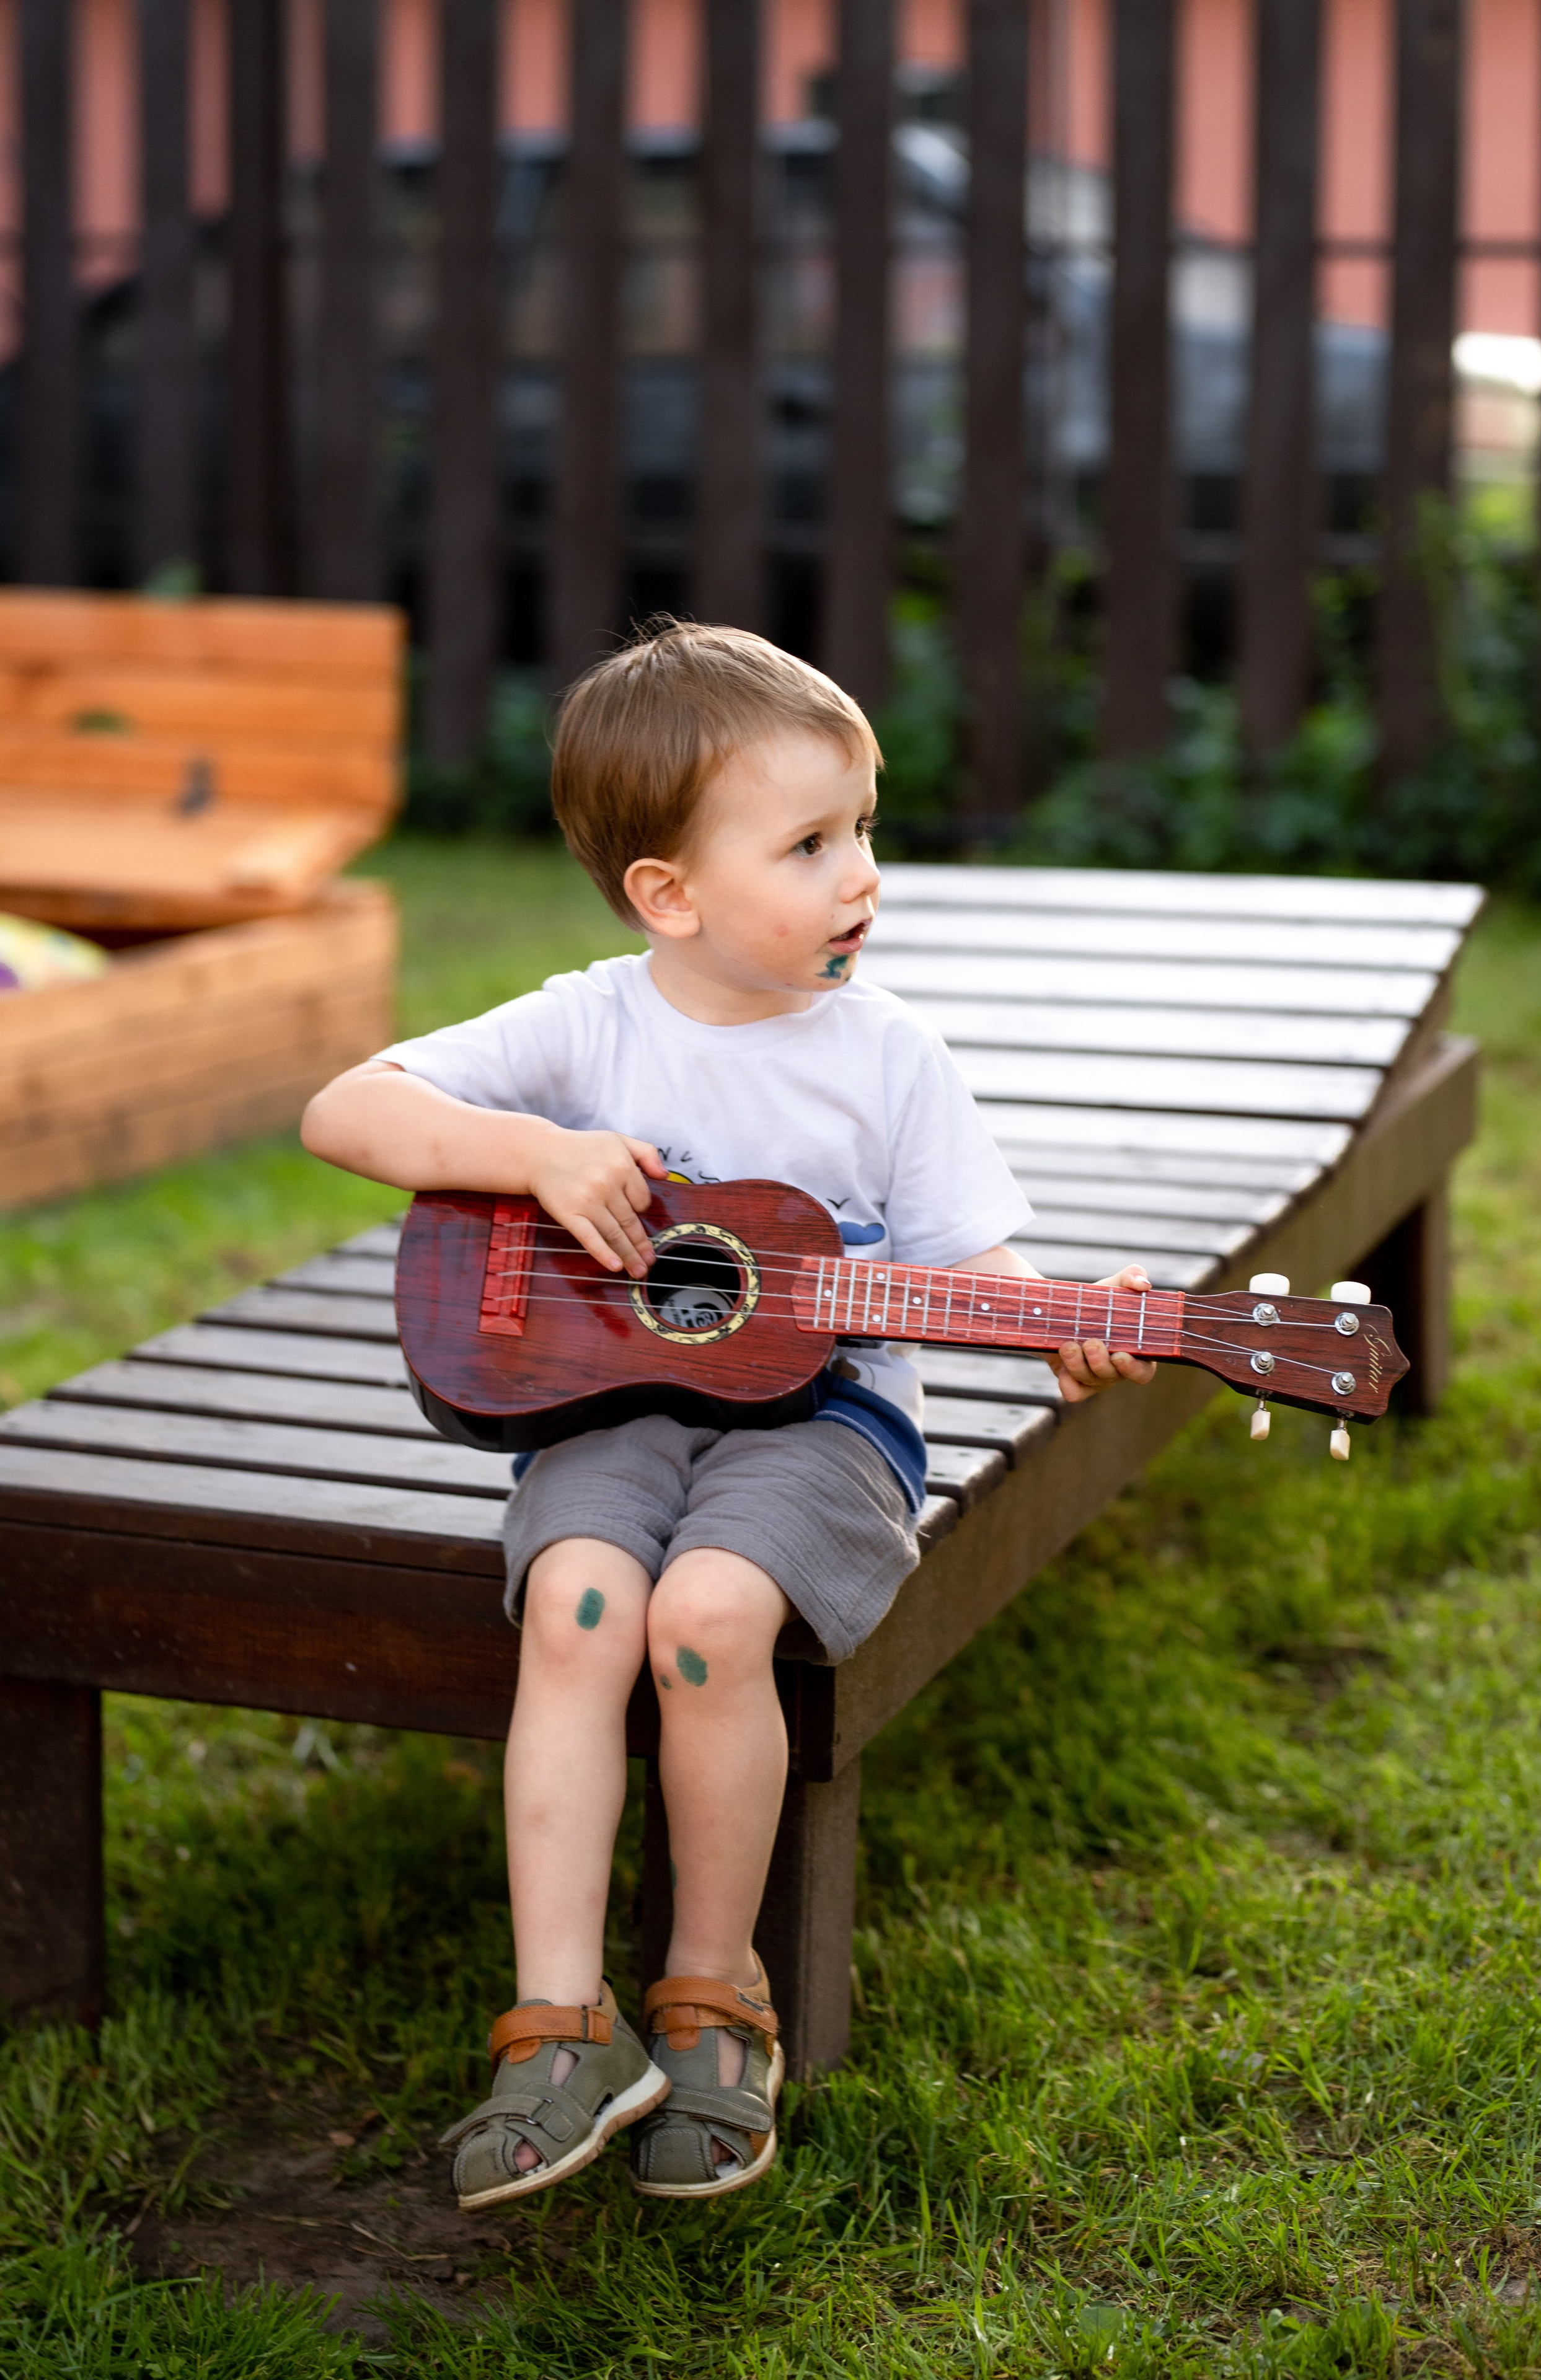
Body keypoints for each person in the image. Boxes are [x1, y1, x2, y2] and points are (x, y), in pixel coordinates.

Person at [301, 620, 1156, 2211]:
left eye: (866, 830)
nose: (861, 877)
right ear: (666, 896)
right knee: (575, 1603)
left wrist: (1066, 1324)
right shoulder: (586, 1024)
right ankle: (559, 2024)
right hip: (617, 1410)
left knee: (701, 1615)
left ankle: (714, 1993)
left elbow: (974, 1256)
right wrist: (538, 1158)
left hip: (824, 1422)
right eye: (812, 843)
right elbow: (343, 1109)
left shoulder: (888, 1054)